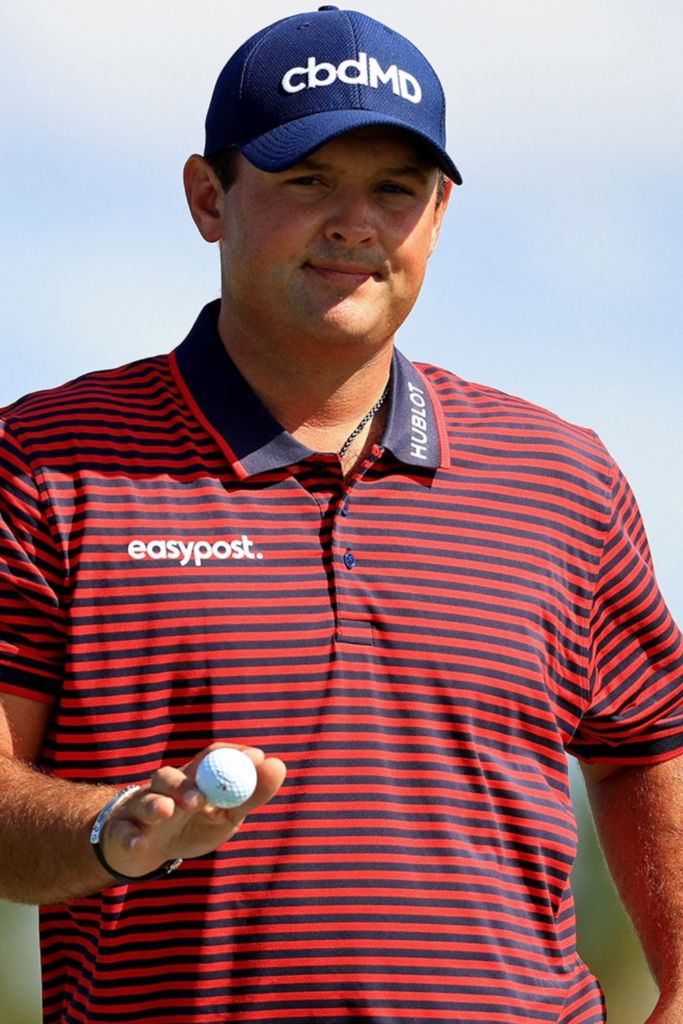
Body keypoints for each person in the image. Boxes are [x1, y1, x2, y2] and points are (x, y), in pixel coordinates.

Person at [1, 6, 682, 1023]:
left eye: (393, 189)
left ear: (439, 213)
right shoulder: (46, 461)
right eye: (306, 179)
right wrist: (113, 828)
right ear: (206, 196)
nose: (354, 223)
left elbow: (644, 747)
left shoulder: (561, 476)